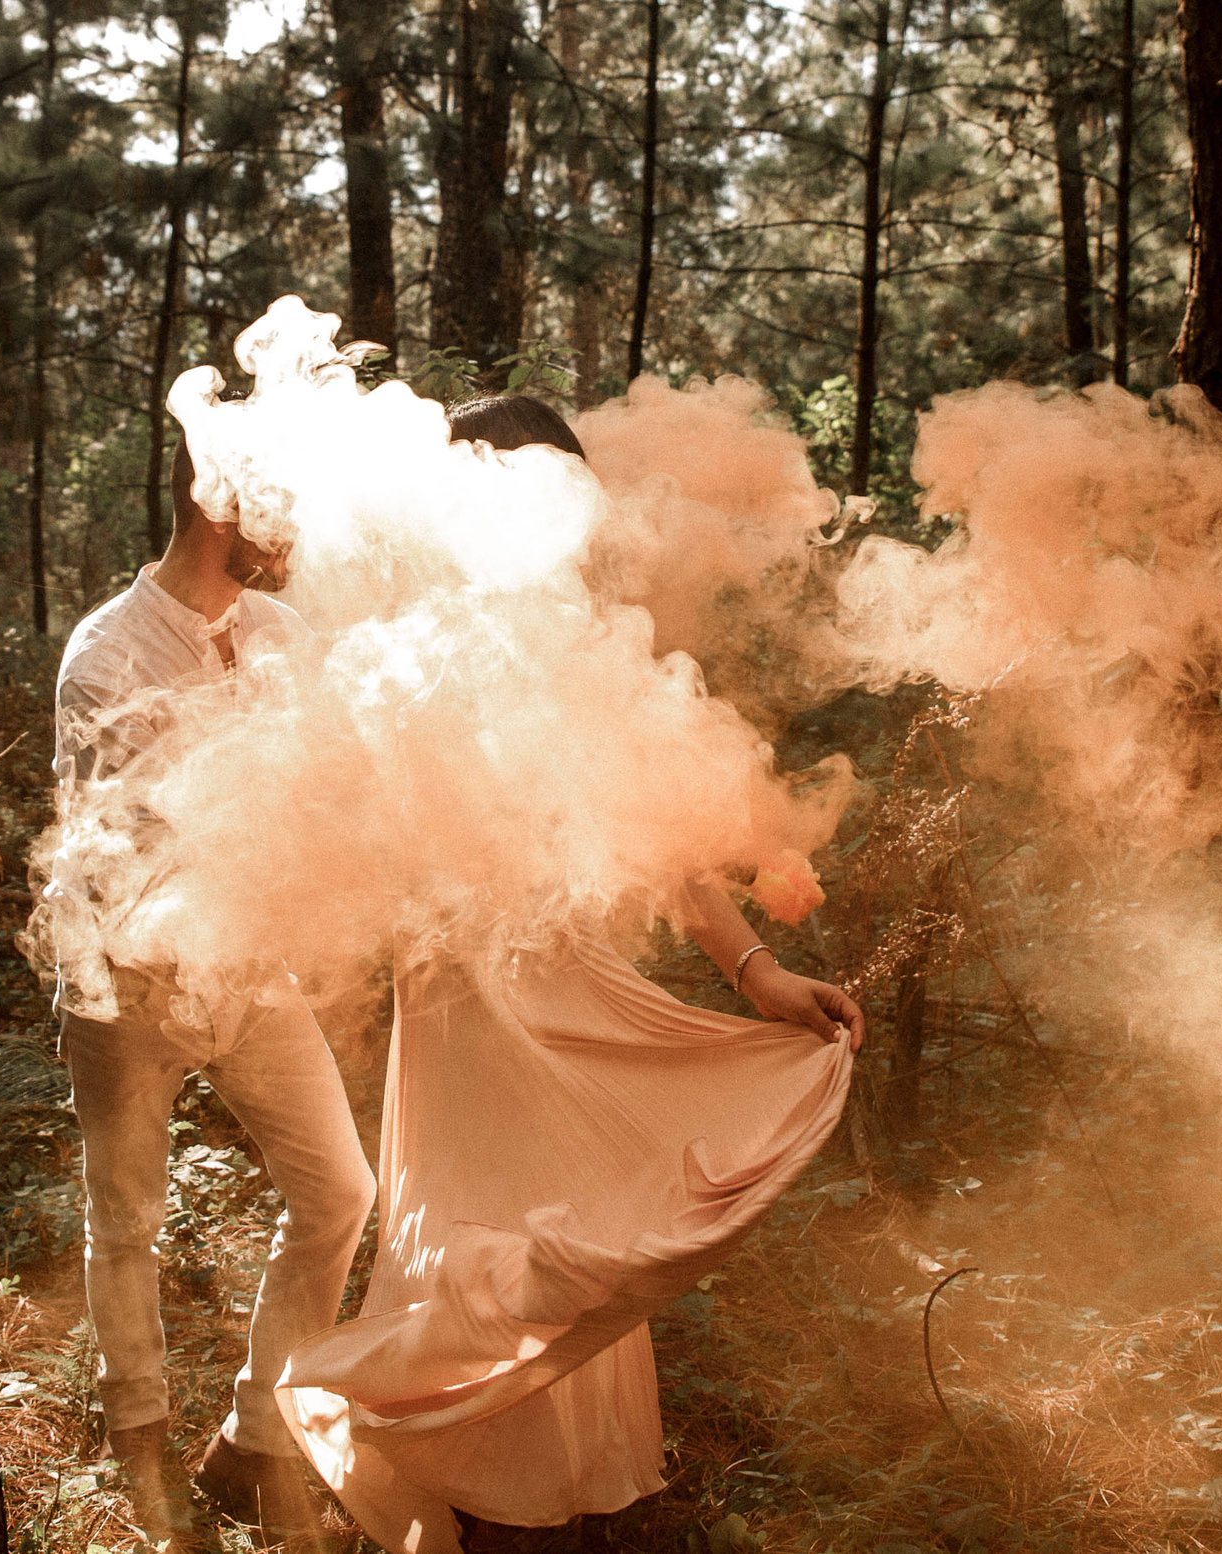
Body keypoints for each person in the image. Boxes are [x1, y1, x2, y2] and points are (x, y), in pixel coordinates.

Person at [272, 396, 865, 1554]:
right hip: (459, 990)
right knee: (476, 1220)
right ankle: (473, 1484)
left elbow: (665, 841)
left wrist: (759, 978)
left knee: (567, 1228)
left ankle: (531, 1503)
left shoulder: (582, 636)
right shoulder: (413, 640)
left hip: (561, 983)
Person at [52, 439, 375, 1551]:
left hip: (250, 970)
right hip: (128, 978)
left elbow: (339, 778)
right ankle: (143, 1454)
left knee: (339, 1191)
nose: (295, 540)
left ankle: (250, 1443)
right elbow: (153, 833)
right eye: (279, 513)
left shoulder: (282, 633)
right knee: (125, 1218)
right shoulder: (104, 653)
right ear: (217, 501)